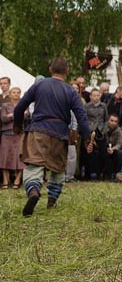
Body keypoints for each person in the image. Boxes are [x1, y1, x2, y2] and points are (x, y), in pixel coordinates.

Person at [13, 57, 93, 216]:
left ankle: (34, 191)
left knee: (33, 165)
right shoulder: (71, 91)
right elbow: (81, 116)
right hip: (59, 134)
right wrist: (87, 138)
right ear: (67, 71)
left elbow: (19, 107)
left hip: (37, 131)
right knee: (57, 169)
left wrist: (17, 125)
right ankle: (52, 201)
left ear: (50, 70)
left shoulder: (39, 85)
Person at [1, 86, 25, 189]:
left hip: (19, 133)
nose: (16, 94)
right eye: (14, 92)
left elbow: (27, 116)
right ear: (10, 94)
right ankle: (5, 181)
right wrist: (17, 114)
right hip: (7, 133)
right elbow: (3, 118)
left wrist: (11, 115)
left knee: (19, 157)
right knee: (5, 157)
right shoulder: (5, 105)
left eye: (18, 92)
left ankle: (17, 180)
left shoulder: (23, 104)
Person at [82, 88, 109, 180]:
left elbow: (106, 119)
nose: (96, 97)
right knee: (90, 153)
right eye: (94, 95)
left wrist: (104, 130)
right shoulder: (86, 106)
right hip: (91, 131)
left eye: (98, 95)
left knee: (102, 153)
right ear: (90, 96)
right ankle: (90, 174)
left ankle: (100, 173)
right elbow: (84, 119)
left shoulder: (104, 106)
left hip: (101, 132)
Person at [100, 114, 122, 180]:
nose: (113, 123)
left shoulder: (119, 131)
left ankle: (116, 174)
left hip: (114, 150)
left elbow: (120, 143)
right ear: (108, 120)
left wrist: (113, 149)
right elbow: (100, 140)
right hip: (104, 149)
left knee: (120, 153)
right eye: (111, 120)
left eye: (115, 121)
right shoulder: (103, 128)